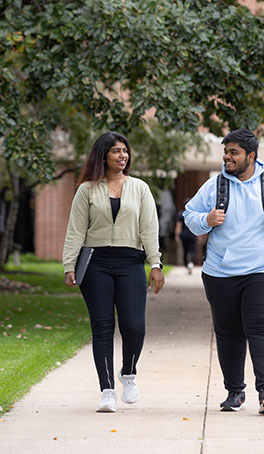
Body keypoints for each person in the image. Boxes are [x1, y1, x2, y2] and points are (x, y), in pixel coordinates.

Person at [184, 128, 264, 415]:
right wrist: (207, 219)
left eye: (233, 152)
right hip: (221, 271)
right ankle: (235, 392)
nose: (227, 157)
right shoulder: (214, 186)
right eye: (225, 152)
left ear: (251, 156)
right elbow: (190, 216)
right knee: (228, 332)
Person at [63, 131, 165, 413]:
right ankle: (107, 390)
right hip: (96, 263)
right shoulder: (87, 190)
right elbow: (76, 230)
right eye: (116, 151)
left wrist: (155, 264)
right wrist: (69, 265)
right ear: (103, 156)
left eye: (125, 151)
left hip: (131, 261)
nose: (123, 156)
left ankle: (128, 374)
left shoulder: (140, 188)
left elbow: (149, 229)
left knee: (134, 326)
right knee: (103, 329)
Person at [175, 198, 197, 274]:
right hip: (192, 234)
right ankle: (190, 262)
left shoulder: (181, 214)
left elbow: (179, 225)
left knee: (185, 250)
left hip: (184, 235)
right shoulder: (194, 213)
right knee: (192, 250)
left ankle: (186, 264)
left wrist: (177, 235)